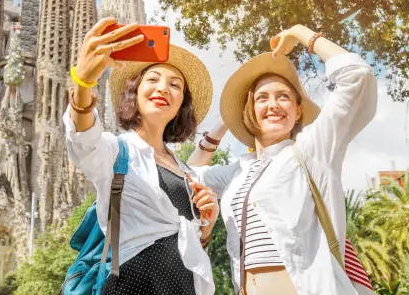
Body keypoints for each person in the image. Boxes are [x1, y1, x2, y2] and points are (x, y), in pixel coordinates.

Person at [189, 24, 377, 295]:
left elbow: (357, 77)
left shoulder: (313, 148)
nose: (273, 105)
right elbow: (189, 175)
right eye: (261, 99)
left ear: (298, 110)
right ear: (250, 111)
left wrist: (302, 33)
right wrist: (224, 123)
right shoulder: (238, 171)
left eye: (284, 97)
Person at [64, 17, 219, 295]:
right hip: (130, 285)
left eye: (175, 85)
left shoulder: (187, 173)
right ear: (135, 93)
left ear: (181, 104)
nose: (163, 88)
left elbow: (188, 244)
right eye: (153, 79)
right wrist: (83, 82)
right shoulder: (116, 152)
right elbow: (83, 140)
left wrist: (206, 225)